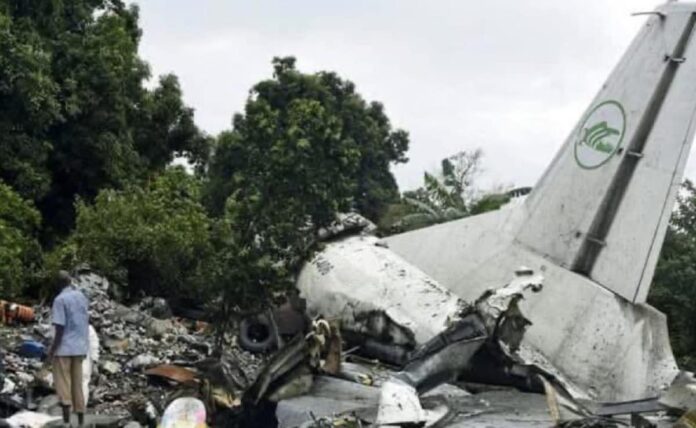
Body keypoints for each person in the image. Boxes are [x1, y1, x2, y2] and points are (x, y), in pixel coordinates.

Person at [48, 271, 90, 426]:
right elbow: (85, 321)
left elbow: (60, 328)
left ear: (58, 284)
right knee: (77, 386)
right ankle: (81, 423)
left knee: (63, 387)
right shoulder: (81, 297)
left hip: (64, 349)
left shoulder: (60, 300)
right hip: (80, 347)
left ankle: (66, 424)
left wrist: (52, 350)